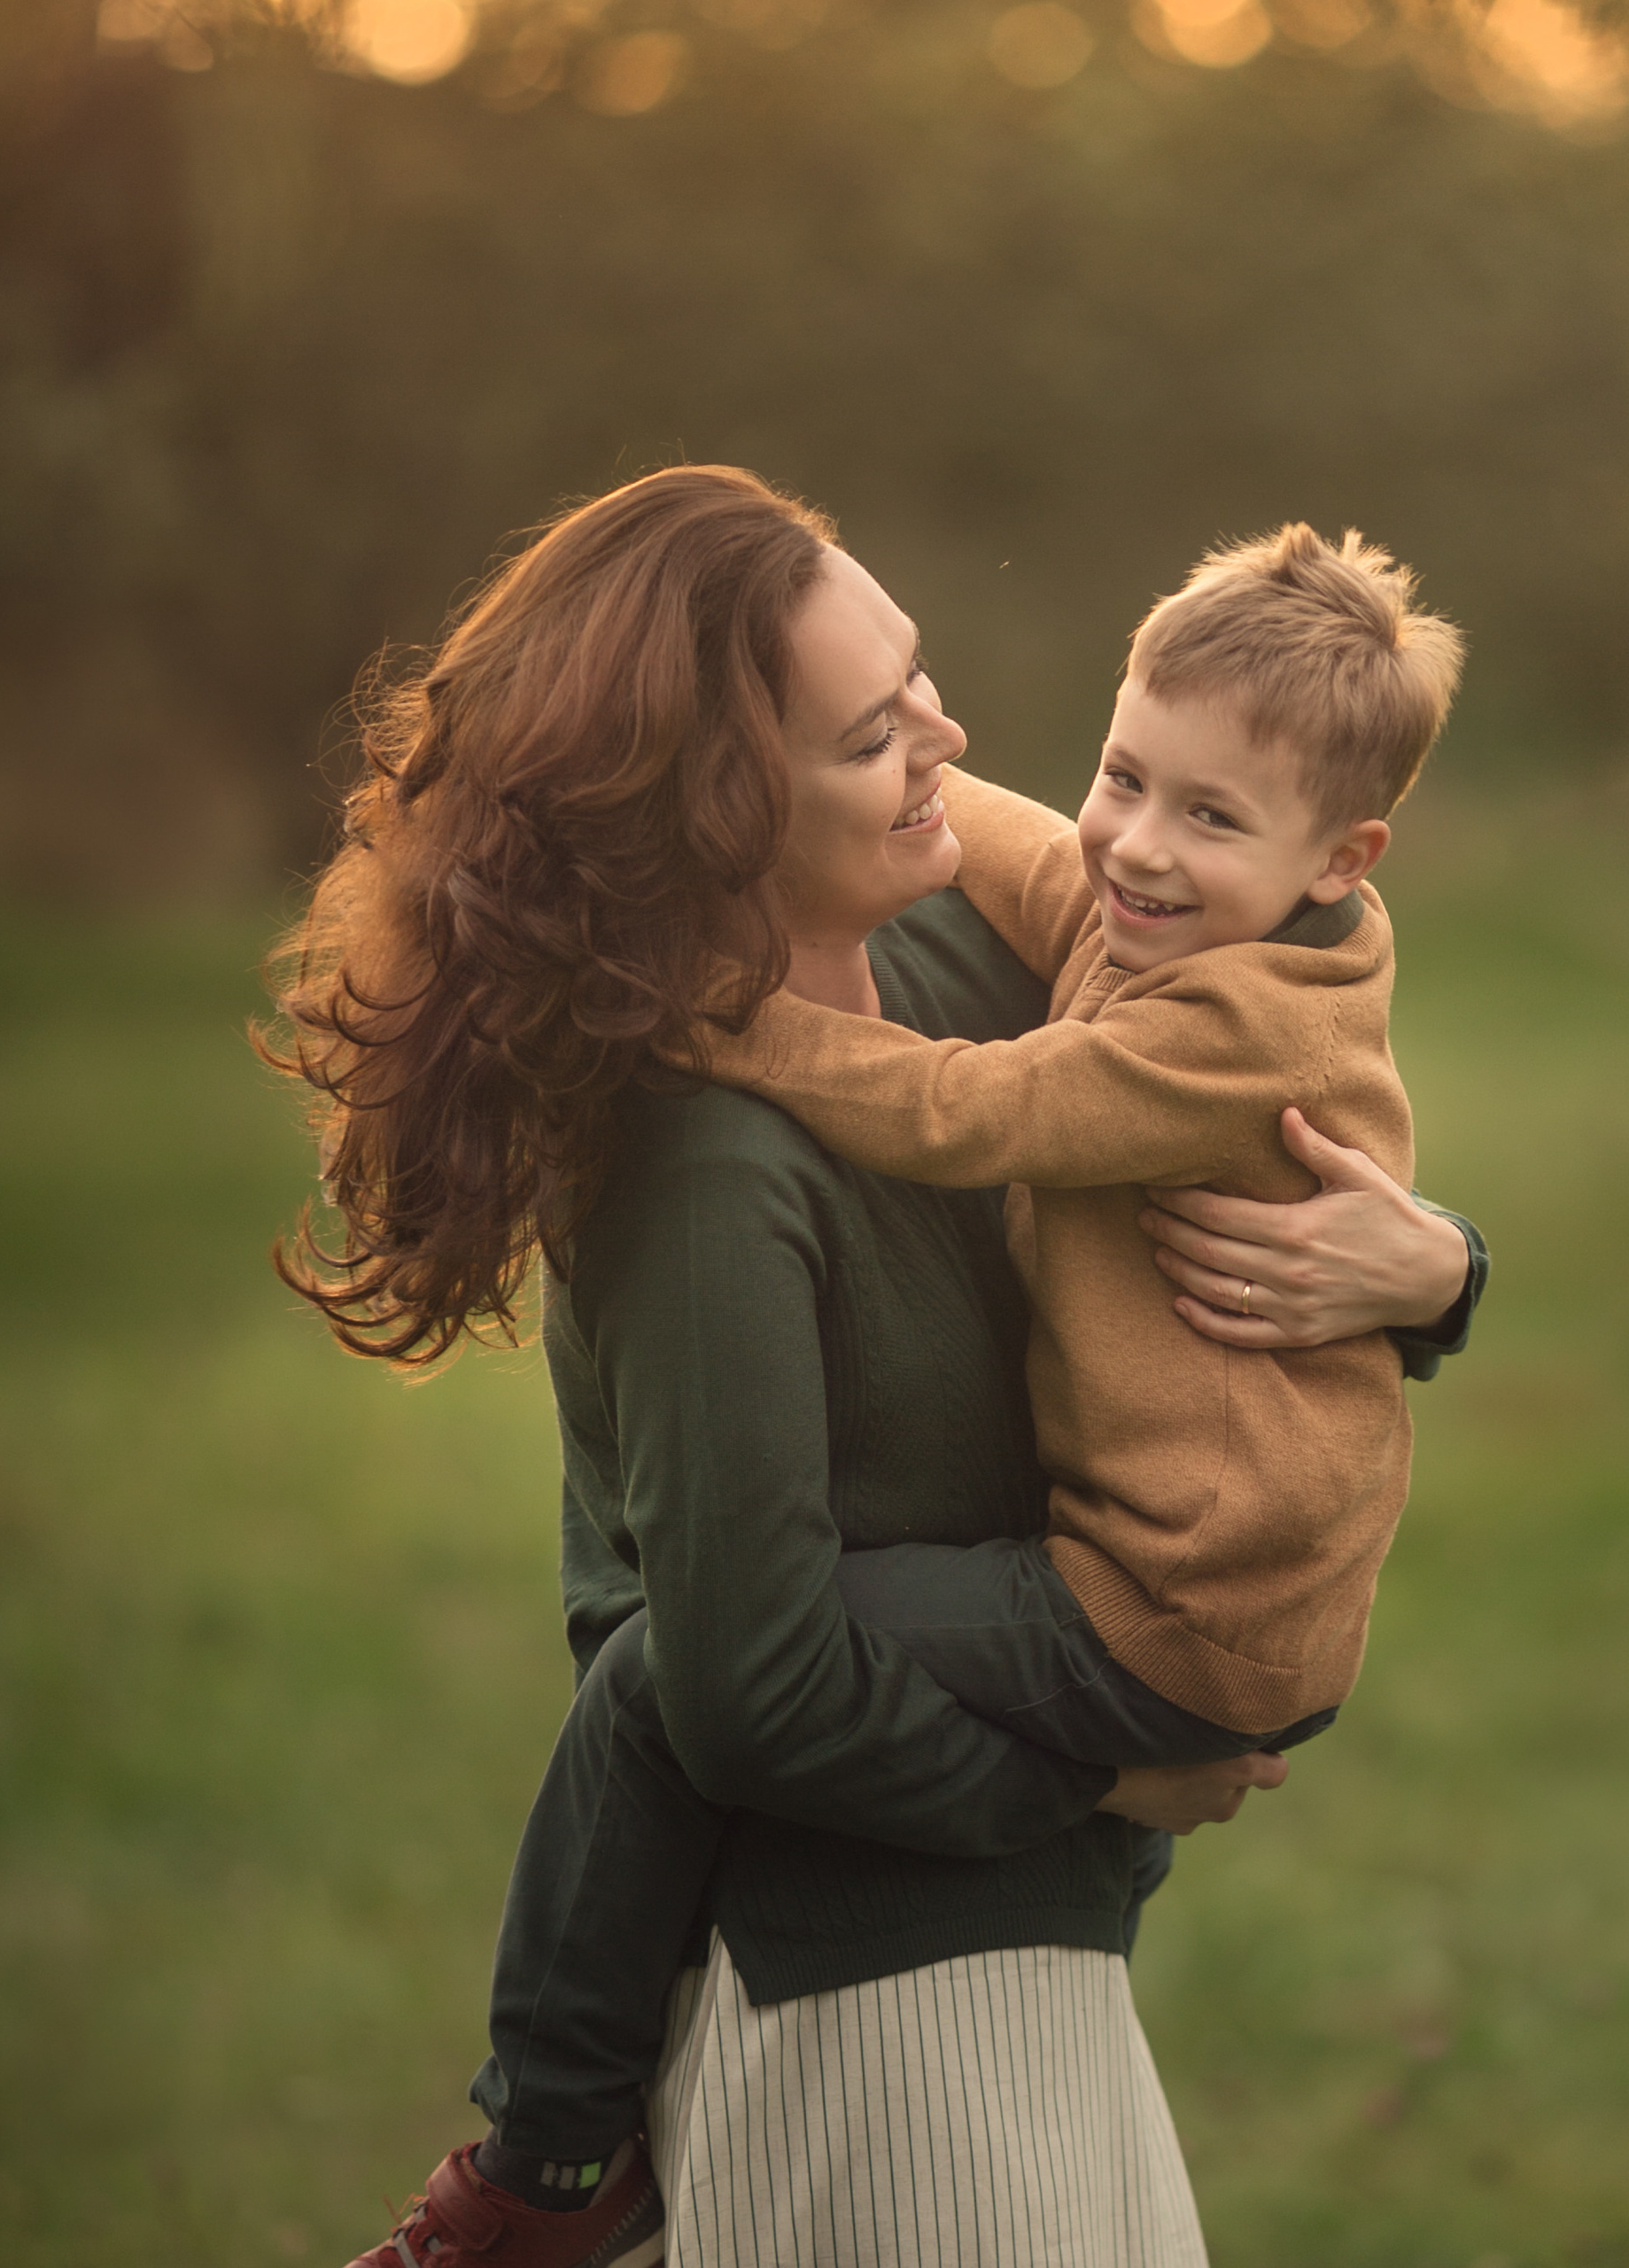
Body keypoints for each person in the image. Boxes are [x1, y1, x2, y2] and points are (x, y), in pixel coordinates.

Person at [263, 466, 1483, 2268]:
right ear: (727, 802)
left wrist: (1438, 1269)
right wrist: (1098, 1780)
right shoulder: (707, 1148)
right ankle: (533, 2175)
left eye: (918, 675)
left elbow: (1220, 1106)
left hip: (1035, 1965)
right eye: (871, 728)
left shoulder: (979, 950)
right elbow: (739, 1680)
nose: (950, 734)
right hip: (867, 2008)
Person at [694, 522, 1464, 1759]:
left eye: (1211, 815)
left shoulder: (1237, 1031)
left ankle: (587, 1967)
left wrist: (725, 1025)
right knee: (715, 1669)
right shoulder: (1196, 920)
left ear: (1340, 861)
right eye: (1123, 777)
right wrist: (900, 770)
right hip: (1173, 1571)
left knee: (741, 1657)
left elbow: (969, 1111)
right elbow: (1042, 858)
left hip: (1183, 1613)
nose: (1139, 843)